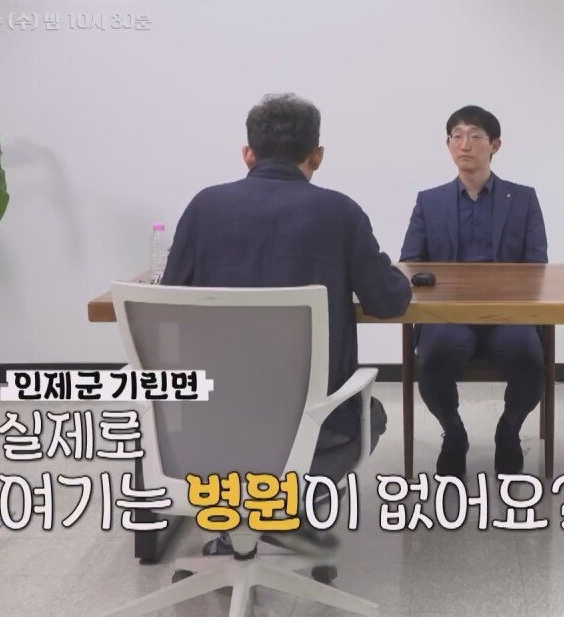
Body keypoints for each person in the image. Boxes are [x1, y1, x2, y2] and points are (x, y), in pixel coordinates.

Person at [162, 93, 412, 547]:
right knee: (369, 414)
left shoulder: (204, 207)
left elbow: (169, 300)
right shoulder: (340, 213)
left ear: (248, 154)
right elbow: (388, 300)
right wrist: (395, 273)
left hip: (207, 425)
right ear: (316, 155)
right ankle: (291, 506)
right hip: (313, 430)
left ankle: (243, 515)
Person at [400, 105, 548, 477]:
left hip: (508, 313)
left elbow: (537, 266)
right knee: (435, 356)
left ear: (494, 145)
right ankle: (453, 433)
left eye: (475, 136)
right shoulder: (429, 201)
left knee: (529, 356)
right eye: (457, 136)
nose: (464, 144)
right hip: (448, 313)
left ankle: (509, 430)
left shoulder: (523, 199)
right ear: (448, 144)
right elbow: (410, 263)